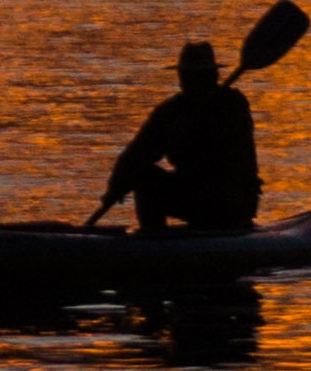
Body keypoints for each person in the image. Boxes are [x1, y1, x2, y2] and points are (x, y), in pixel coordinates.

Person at [95, 38, 263, 233]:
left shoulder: (232, 105)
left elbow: (230, 155)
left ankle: (161, 244)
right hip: (192, 195)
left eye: (199, 77)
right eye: (187, 76)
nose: (191, 83)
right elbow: (137, 153)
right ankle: (154, 239)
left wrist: (200, 123)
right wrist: (116, 186)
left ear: (214, 76)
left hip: (230, 201)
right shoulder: (171, 111)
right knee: (143, 175)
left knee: (156, 179)